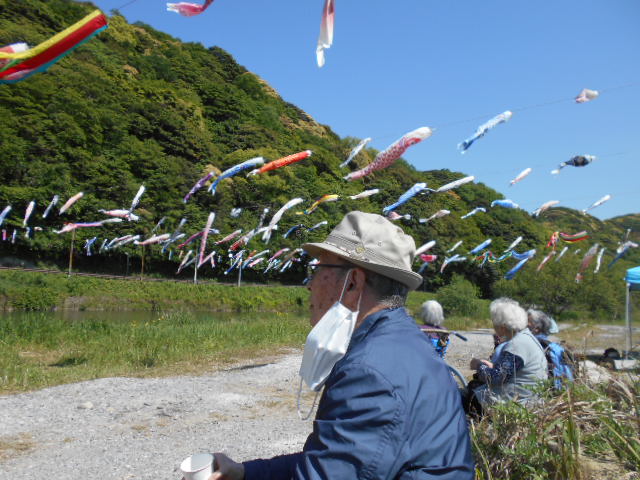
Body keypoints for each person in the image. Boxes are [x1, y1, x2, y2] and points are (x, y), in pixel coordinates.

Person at [211, 211, 474, 480]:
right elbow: (337, 458)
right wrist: (244, 472)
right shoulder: (407, 341)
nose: (309, 285)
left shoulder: (370, 372)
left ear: (353, 282)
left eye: (318, 269)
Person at [468, 298, 548, 412]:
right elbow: (509, 371)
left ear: (502, 326)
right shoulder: (525, 337)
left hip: (518, 404)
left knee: (468, 396)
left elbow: (495, 379)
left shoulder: (517, 345)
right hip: (530, 397)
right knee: (474, 387)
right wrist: (491, 367)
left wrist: (478, 365)